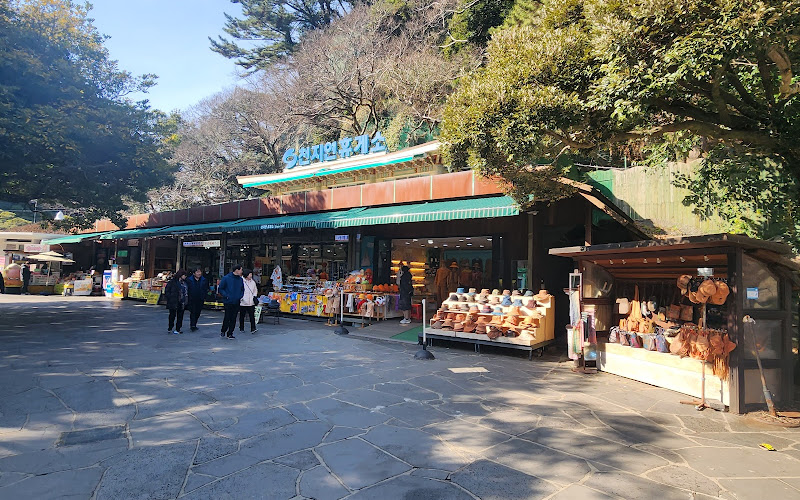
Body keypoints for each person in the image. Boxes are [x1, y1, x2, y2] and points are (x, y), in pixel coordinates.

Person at [218, 265, 244, 339]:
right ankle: (223, 330)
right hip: (228, 301)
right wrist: (226, 295)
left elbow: (242, 289)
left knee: (234, 317)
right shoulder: (226, 278)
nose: (241, 271)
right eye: (241, 270)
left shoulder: (240, 279)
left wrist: (240, 296)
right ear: (236, 270)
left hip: (236, 301)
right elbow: (221, 288)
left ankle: (230, 332)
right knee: (227, 316)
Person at [164, 270, 189, 334]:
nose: (185, 277)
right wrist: (170, 298)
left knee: (180, 316)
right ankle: (170, 327)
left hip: (182, 301)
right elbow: (167, 291)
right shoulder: (172, 282)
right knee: (172, 315)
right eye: (184, 275)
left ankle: (178, 328)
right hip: (174, 301)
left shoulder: (185, 282)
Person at [239, 269, 259, 334]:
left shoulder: (252, 282)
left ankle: (253, 328)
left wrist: (254, 296)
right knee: (242, 315)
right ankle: (241, 327)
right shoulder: (241, 281)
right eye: (250, 274)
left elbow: (255, 290)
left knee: (252, 315)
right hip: (243, 302)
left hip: (251, 302)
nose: (251, 275)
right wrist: (241, 298)